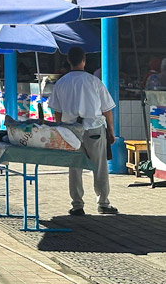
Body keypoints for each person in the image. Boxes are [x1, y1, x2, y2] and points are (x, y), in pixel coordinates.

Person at [47, 46, 118, 216]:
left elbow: (57, 112)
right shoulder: (94, 81)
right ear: (84, 61)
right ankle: (103, 203)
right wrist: (111, 131)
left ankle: (77, 205)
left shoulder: (61, 82)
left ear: (69, 61)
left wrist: (61, 130)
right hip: (94, 128)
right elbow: (107, 110)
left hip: (71, 131)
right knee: (100, 167)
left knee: (74, 168)